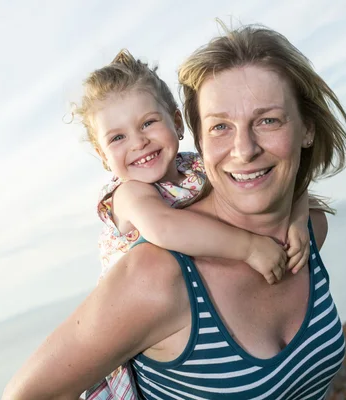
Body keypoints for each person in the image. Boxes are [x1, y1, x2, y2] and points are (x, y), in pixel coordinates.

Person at [2, 23, 346, 400]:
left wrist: (299, 215)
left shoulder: (306, 231)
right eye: (221, 126)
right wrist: (249, 247)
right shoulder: (145, 245)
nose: (244, 149)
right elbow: (26, 394)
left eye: (268, 120)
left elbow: (292, 188)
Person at [73, 49, 316, 399]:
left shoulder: (197, 168)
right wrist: (248, 247)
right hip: (138, 335)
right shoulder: (129, 195)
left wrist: (297, 215)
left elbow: (277, 184)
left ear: (177, 121)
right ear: (102, 155)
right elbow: (166, 228)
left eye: (148, 123)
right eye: (117, 138)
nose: (139, 142)